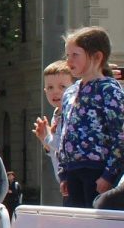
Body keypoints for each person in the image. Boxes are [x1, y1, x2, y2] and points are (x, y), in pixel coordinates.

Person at [54, 26, 124, 208]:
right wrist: (63, 173)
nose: (68, 61)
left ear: (97, 57)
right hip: (73, 170)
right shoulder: (70, 92)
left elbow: (120, 136)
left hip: (97, 170)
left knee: (97, 227)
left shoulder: (109, 90)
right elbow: (64, 133)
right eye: (67, 55)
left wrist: (109, 174)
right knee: (76, 225)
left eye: (75, 55)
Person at [32, 59, 73, 201]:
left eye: (62, 86)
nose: (55, 92)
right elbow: (56, 152)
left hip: (77, 181)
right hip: (65, 183)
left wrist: (48, 138)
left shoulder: (73, 112)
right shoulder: (56, 114)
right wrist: (46, 144)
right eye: (50, 87)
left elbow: (67, 147)